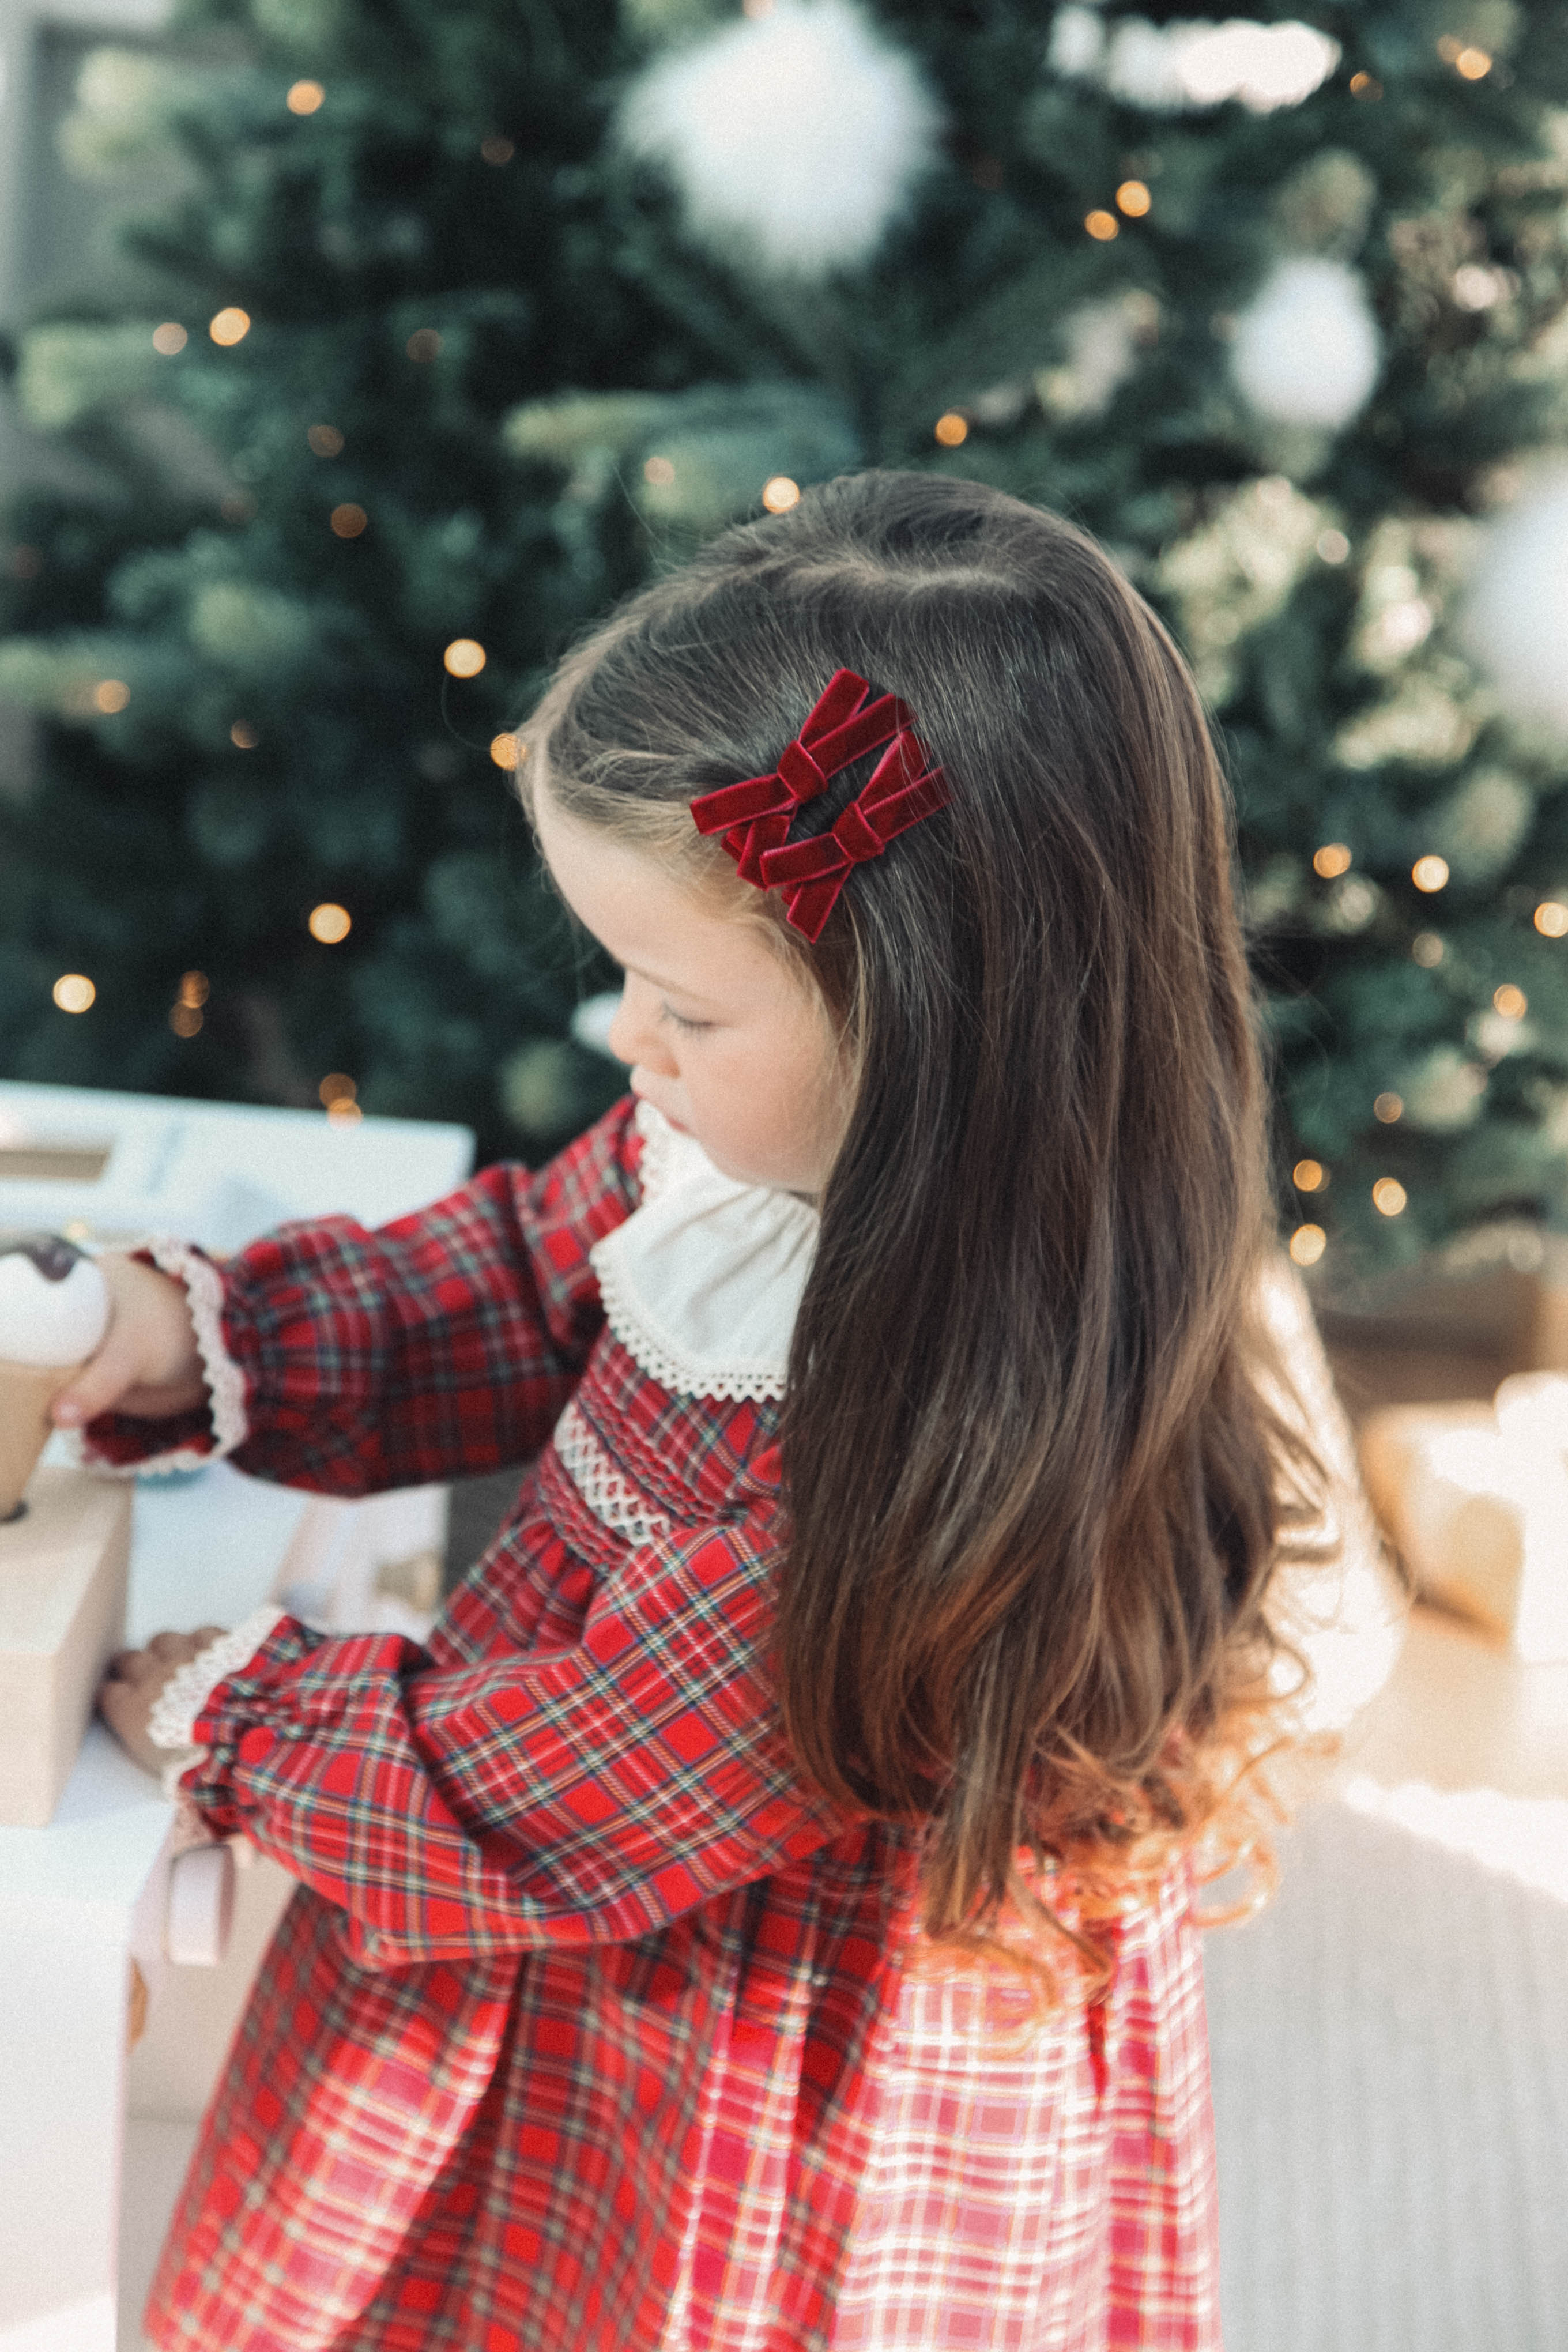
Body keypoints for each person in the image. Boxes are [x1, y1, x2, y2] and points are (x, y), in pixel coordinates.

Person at [74, 470, 1400, 2351]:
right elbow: (513, 1281)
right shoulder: (745, 1161)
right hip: (590, 1898)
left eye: (682, 1008)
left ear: (931, 1027)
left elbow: (562, 1794)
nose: (628, 1043)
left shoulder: (929, 1453)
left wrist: (239, 1717)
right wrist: (192, 1340)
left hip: (731, 2074)